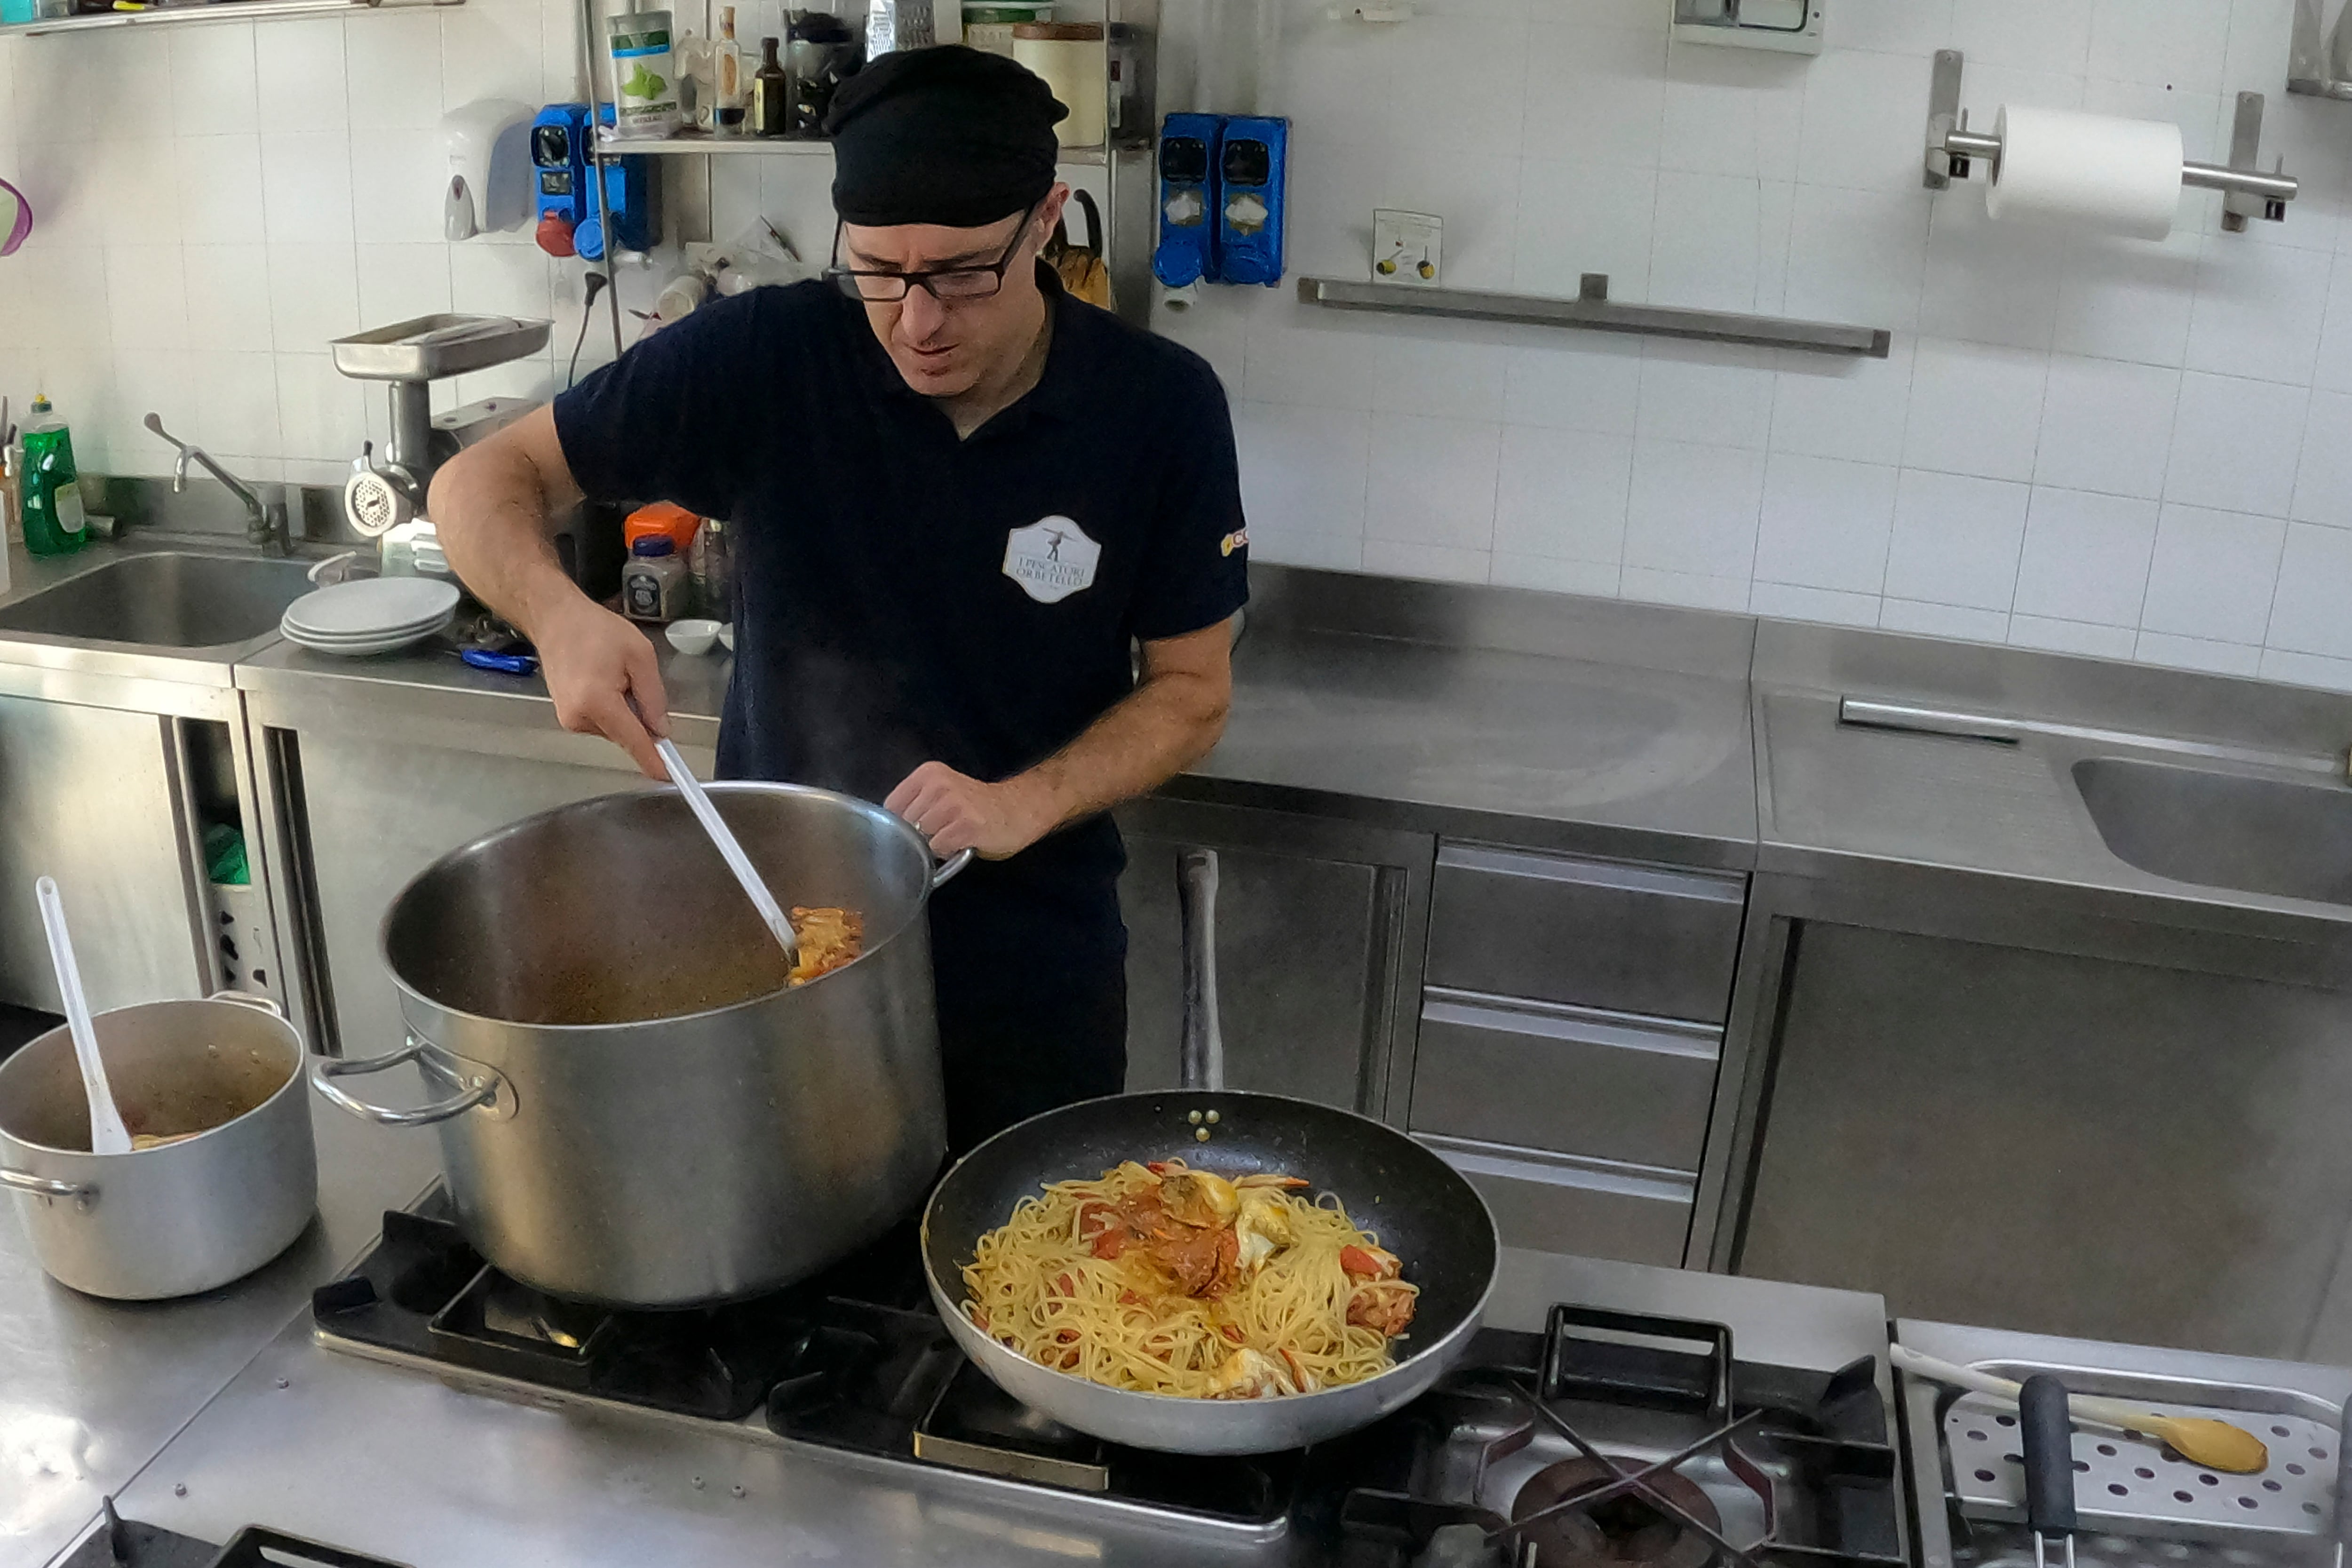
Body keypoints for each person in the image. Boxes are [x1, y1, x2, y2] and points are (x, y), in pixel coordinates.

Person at [429, 46, 1250, 1151]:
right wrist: (558, 613)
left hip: (1028, 974)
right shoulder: (769, 359)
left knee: (1023, 1288)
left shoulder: (1157, 409)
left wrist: (1025, 799)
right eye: (879, 270)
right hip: (781, 955)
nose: (917, 321)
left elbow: (1194, 691)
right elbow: (479, 480)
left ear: (1046, 221)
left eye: (963, 273)